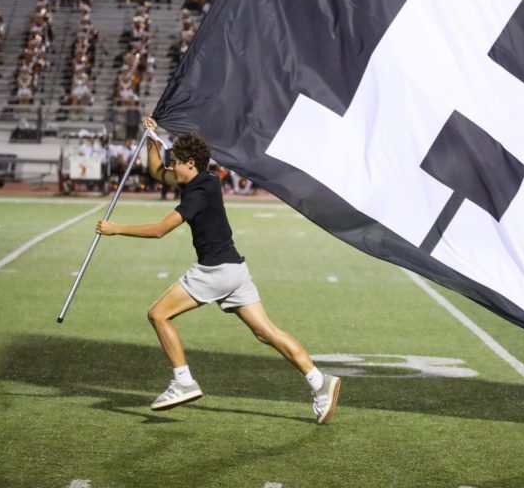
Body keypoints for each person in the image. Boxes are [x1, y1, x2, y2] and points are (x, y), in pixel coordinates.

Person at [94, 117, 341, 421]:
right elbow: (156, 171)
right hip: (235, 269)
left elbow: (160, 230)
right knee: (267, 332)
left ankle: (183, 380)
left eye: (177, 163)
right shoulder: (201, 179)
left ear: (190, 164)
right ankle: (320, 382)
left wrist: (116, 229)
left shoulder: (199, 192)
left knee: (158, 315)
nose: (172, 168)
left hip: (215, 271)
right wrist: (150, 136)